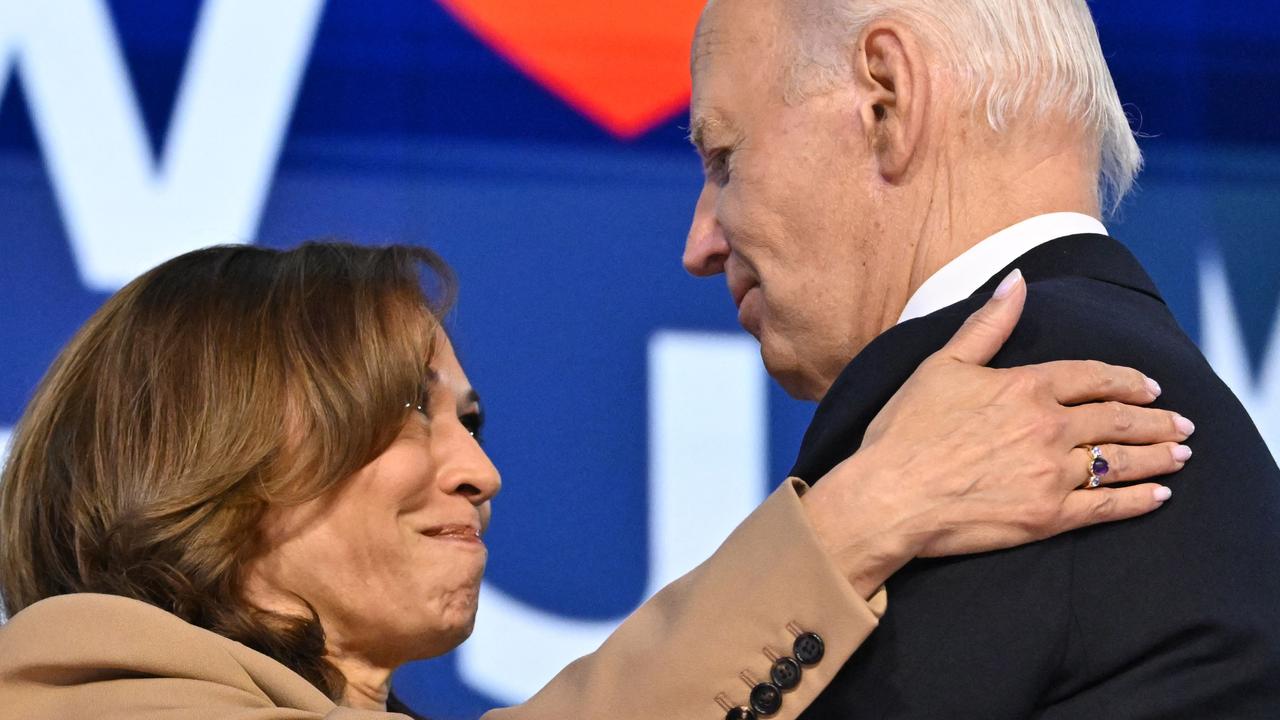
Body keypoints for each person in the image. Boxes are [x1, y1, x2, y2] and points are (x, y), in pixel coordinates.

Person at [0, 243, 1187, 719]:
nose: (481, 471)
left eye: (471, 418)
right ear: (210, 450)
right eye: (408, 412)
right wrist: (859, 516)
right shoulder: (87, 695)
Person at [683, 0, 1280, 716]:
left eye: (725, 158)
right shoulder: (1192, 408)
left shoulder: (966, 425)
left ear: (886, 98)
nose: (700, 246)